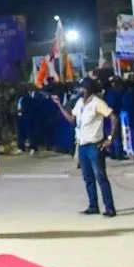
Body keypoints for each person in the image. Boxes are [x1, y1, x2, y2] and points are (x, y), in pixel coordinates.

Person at [54, 77, 118, 217]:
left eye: (81, 88)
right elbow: (72, 119)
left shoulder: (97, 103)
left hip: (95, 145)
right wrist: (59, 105)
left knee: (100, 177)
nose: (79, 90)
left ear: (87, 89)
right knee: (88, 178)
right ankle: (93, 206)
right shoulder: (80, 103)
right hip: (82, 145)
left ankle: (110, 207)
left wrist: (109, 139)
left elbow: (113, 118)